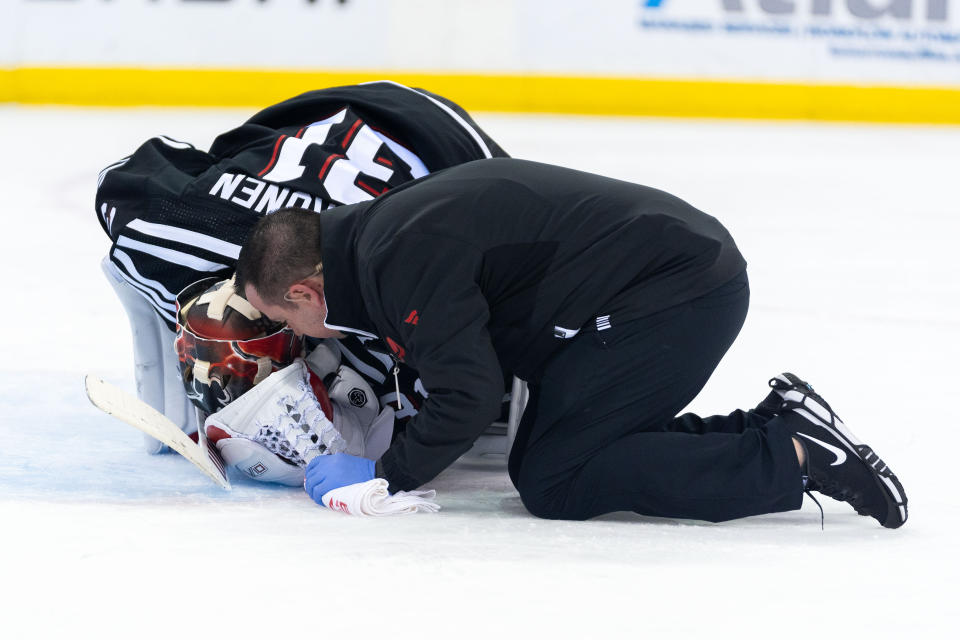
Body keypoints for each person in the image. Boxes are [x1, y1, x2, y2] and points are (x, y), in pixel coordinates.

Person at [235, 157, 909, 528]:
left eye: (283, 319)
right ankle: (778, 429)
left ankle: (794, 457)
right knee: (556, 458)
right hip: (647, 287)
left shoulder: (401, 260)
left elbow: (468, 396)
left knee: (556, 481)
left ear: (303, 292)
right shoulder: (379, 239)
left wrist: (387, 473)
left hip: (680, 294)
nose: (291, 335)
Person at [95, 81, 509, 453]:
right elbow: (127, 176)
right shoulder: (157, 231)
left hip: (441, 141)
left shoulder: (383, 294)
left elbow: (457, 388)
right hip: (308, 116)